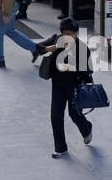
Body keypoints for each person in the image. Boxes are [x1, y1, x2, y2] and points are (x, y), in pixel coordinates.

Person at [35, 18, 94, 158]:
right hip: (57, 85)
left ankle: (87, 129)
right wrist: (50, 48)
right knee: (56, 116)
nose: (68, 37)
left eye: (71, 34)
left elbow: (84, 71)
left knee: (74, 114)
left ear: (76, 34)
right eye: (65, 34)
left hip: (75, 86)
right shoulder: (56, 40)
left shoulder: (82, 48)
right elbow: (37, 48)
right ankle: (60, 148)